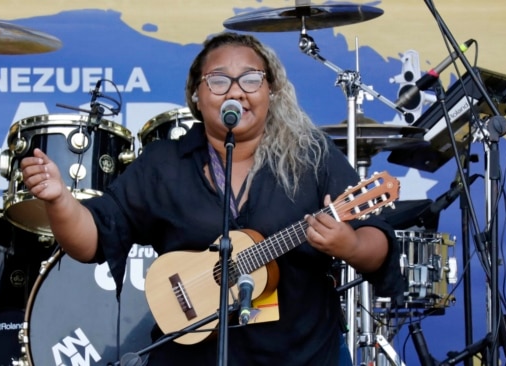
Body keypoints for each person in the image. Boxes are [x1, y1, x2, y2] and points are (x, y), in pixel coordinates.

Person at [21, 31, 405, 366]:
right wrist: (60, 201)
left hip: (301, 353)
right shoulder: (164, 164)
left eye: (251, 79)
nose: (235, 90)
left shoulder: (311, 155)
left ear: (271, 91)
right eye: (219, 80)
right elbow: (93, 240)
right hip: (193, 357)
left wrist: (350, 244)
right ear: (196, 93)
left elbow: (378, 243)